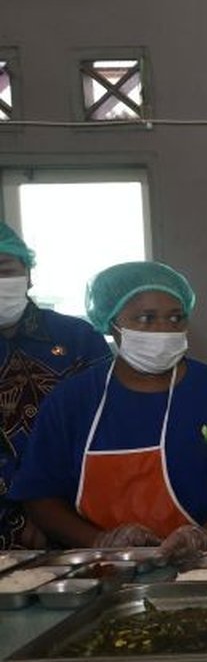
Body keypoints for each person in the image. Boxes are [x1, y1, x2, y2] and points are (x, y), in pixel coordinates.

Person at [10, 262, 207, 559]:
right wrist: (101, 542)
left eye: (176, 318)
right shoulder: (74, 398)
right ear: (111, 323)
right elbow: (39, 493)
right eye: (146, 318)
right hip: (105, 569)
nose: (164, 329)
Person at [0, 223, 111, 549]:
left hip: (78, 517)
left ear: (28, 274)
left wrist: (47, 511)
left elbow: (107, 423)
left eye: (5, 270)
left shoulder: (77, 339)